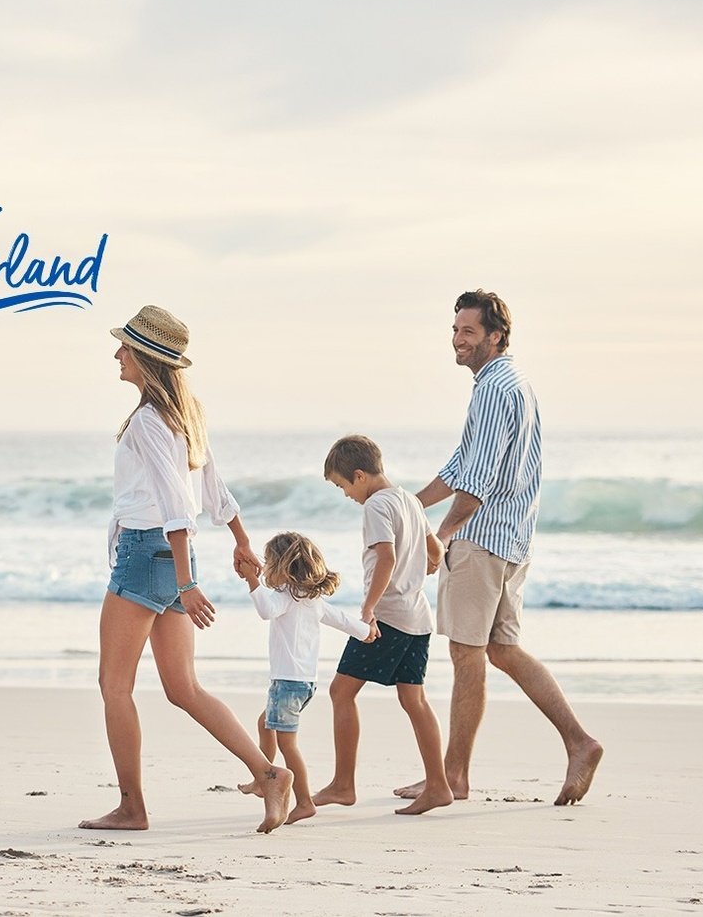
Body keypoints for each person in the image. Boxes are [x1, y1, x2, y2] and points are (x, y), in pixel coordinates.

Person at [79, 305, 295, 834]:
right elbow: (214, 489)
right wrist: (241, 540)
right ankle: (268, 774)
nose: (116, 355)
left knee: (114, 686)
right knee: (183, 688)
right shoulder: (185, 412)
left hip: (149, 558)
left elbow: (179, 502)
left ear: (146, 357)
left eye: (124, 348)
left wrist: (187, 582)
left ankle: (132, 807)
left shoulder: (153, 420)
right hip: (172, 557)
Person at [395, 289, 604, 806]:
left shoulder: (493, 390)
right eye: (454, 330)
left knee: (467, 654)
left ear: (495, 335)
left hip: (483, 541)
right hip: (512, 540)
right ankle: (580, 742)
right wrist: (409, 505)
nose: (457, 341)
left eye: (468, 332)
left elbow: (477, 483)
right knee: (502, 651)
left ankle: (452, 778)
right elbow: (463, 462)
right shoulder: (513, 383)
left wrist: (438, 537)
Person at [309, 434, 452, 815]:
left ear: (359, 476)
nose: (345, 495)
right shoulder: (409, 500)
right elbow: (436, 551)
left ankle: (343, 785)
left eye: (342, 486)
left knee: (341, 692)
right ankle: (438, 785)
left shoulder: (375, 506)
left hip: (387, 617)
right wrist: (420, 570)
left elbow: (385, 557)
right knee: (413, 699)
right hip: (417, 617)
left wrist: (369, 608)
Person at [235, 531, 373, 825]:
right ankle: (262, 778)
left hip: (286, 682)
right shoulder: (313, 599)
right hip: (305, 683)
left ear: (282, 566)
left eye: (269, 561)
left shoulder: (285, 596)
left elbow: (265, 611)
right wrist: (367, 631)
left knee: (288, 744)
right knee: (265, 724)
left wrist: (251, 580)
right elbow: (345, 622)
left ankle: (304, 801)